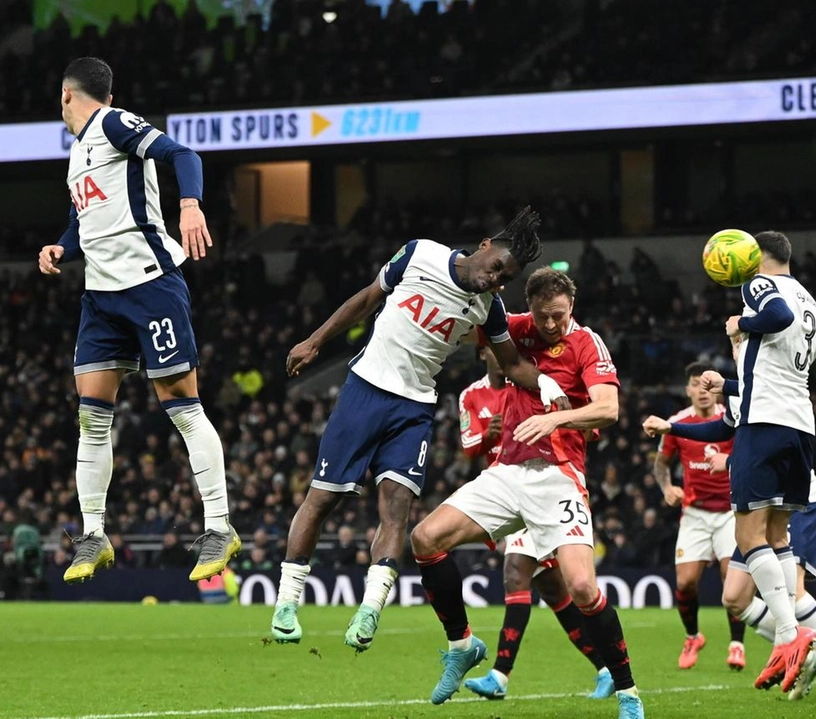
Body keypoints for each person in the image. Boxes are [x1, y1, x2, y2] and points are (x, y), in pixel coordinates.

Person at [268, 209, 567, 652]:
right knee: (323, 497)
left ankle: (369, 611)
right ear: (484, 245)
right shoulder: (420, 254)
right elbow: (367, 299)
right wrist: (315, 340)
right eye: (498, 266)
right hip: (365, 390)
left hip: (415, 409)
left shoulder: (489, 308)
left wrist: (545, 382)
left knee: (397, 510)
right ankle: (287, 604)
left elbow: (512, 364)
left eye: (506, 277)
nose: (496, 279)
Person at [409, 269, 643, 719]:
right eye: (542, 316)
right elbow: (472, 318)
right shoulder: (517, 326)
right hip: (507, 472)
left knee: (581, 588)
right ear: (529, 308)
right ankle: (462, 645)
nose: (550, 325)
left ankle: (628, 693)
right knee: (425, 538)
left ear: (571, 307)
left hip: (559, 477)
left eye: (558, 316)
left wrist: (554, 419)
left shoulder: (586, 343)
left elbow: (609, 409)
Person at [38, 57, 237, 584]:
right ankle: (94, 533)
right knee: (91, 416)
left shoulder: (112, 122)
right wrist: (62, 244)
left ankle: (219, 526)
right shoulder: (78, 153)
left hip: (149, 286)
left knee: (181, 406)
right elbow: (87, 218)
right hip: (100, 298)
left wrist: (190, 204)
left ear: (66, 94)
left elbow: (182, 153)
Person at [643, 407, 816, 705]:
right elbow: (721, 428)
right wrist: (671, 427)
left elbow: (785, 449)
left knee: (794, 591)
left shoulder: (771, 385)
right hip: (757, 504)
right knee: (734, 598)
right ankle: (804, 656)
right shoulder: (744, 384)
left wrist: (728, 461)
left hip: (792, 498)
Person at [695, 230, 816, 692]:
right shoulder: (813, 303)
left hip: (763, 425)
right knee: (777, 534)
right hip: (799, 425)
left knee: (746, 536)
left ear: (755, 258)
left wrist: (739, 325)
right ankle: (791, 635)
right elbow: (776, 372)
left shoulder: (758, 285)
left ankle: (789, 634)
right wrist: (726, 384)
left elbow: (775, 315)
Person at [459, 347, 614, 701]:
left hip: (542, 486)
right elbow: (468, 446)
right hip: (505, 491)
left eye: (508, 349)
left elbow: (585, 430)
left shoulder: (539, 385)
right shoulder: (472, 395)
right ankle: (606, 668)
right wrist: (490, 435)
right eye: (496, 349)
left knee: (516, 572)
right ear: (483, 351)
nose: (502, 355)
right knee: (556, 593)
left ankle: (499, 675)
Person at [650, 362, 744, 671]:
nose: (702, 392)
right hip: (695, 513)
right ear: (687, 389)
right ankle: (693, 636)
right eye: (695, 385)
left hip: (731, 511)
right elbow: (661, 464)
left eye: (707, 385)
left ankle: (737, 644)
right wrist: (666, 487)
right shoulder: (676, 423)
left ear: (714, 387)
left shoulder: (732, 418)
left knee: (732, 579)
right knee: (686, 582)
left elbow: (748, 453)